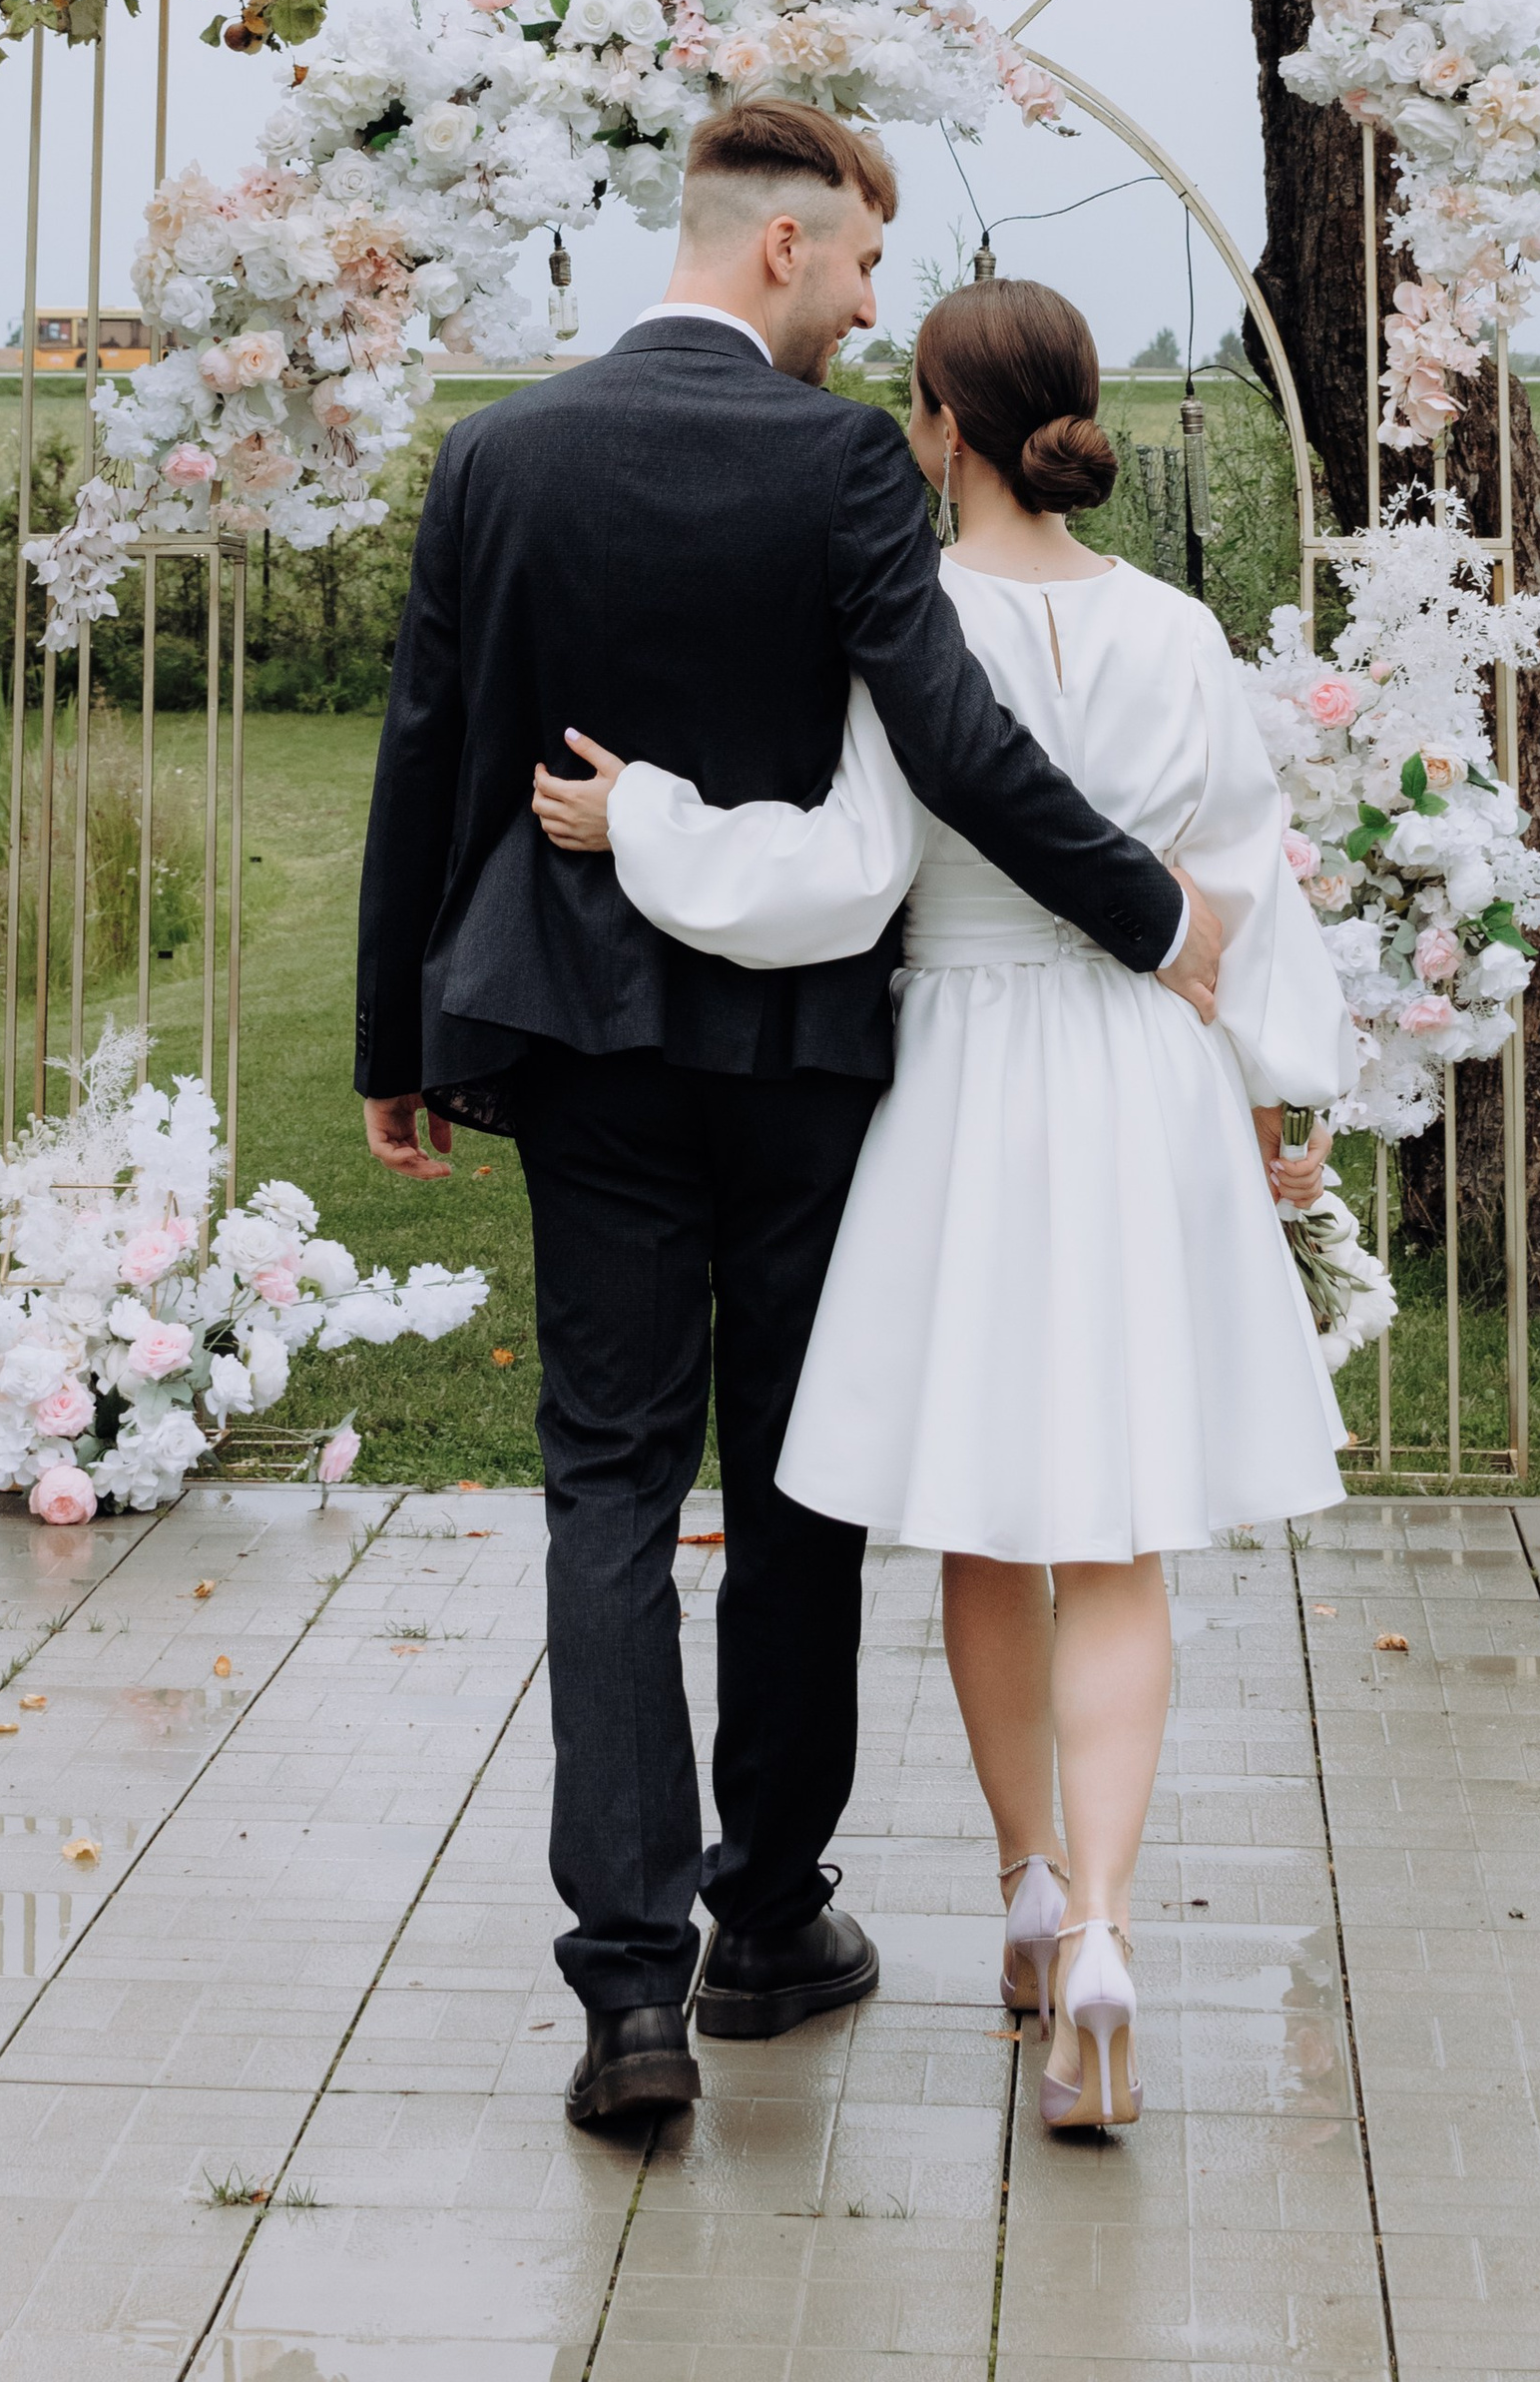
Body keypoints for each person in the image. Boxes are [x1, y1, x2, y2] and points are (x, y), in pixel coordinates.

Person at [355, 106, 1225, 2129]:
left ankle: (627, 1992)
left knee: (605, 1484)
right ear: (776, 251)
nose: (861, 311)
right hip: (801, 1052)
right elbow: (947, 737)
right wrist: (1154, 916)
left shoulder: (497, 456)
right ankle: (766, 1924)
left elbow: (431, 751)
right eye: (850, 273)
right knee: (797, 1479)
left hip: (569, 1038)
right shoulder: (839, 461)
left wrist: (395, 1040)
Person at [533, 274, 1354, 2132]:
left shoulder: (912, 613)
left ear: (936, 422)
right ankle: (1117, 1934)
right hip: (1140, 1069)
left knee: (991, 1515)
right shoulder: (1177, 628)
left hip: (970, 1076)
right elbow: (1241, 893)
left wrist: (640, 821)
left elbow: (840, 873)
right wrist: (1262, 1095)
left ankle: (1028, 1894)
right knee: (1124, 1523)